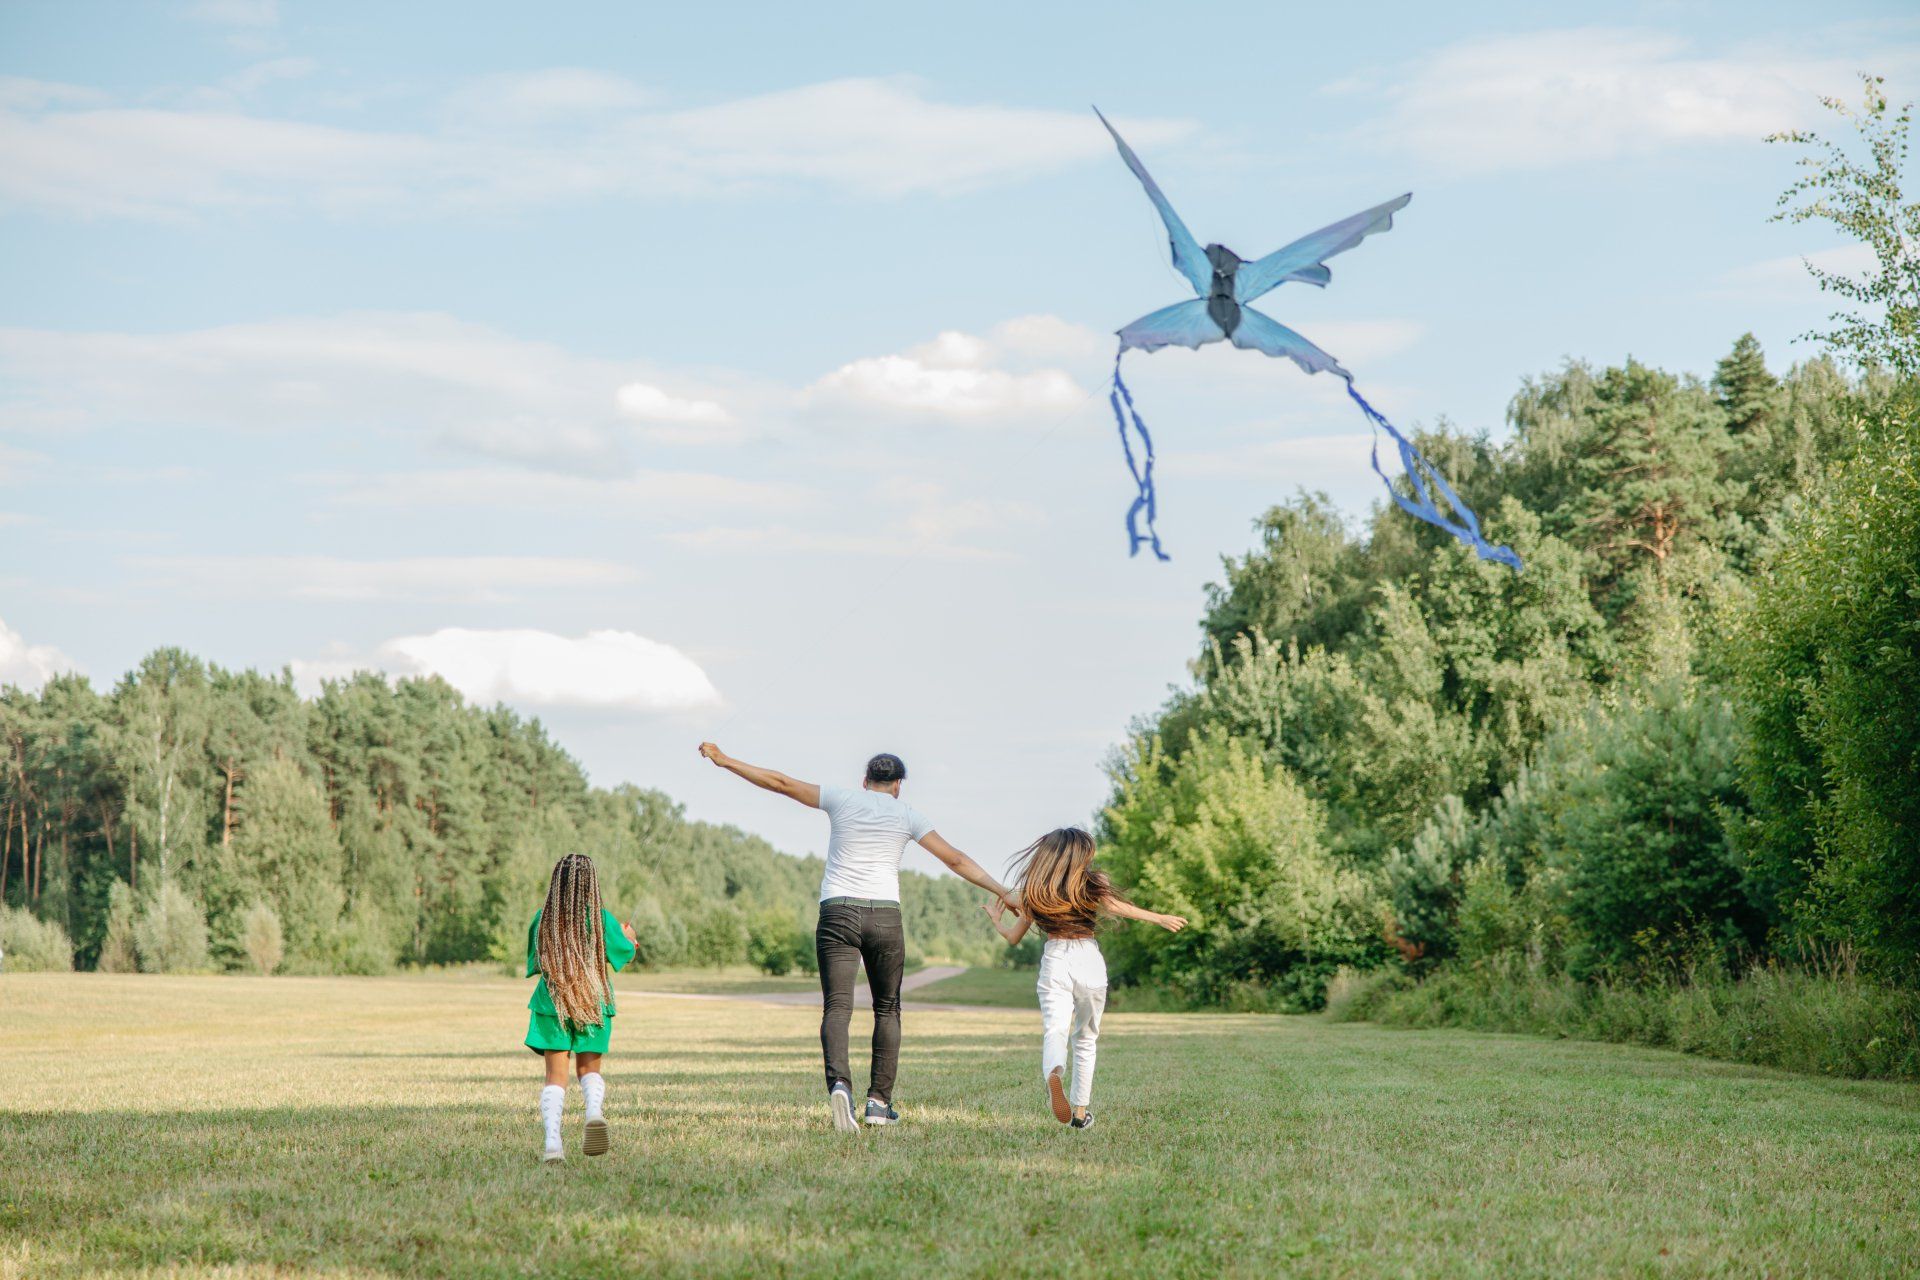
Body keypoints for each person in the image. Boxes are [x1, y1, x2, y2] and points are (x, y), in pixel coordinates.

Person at [698, 742, 1015, 1133]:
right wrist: (1004, 892)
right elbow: (956, 859)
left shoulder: (842, 798)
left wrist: (724, 759)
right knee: (888, 1008)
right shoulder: (908, 814)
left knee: (837, 1007)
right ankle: (879, 1104)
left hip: (838, 912)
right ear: (898, 785)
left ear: (865, 782)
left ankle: (840, 1086)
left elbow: (779, 783)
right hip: (885, 916)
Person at [985, 828, 1185, 1129]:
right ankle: (1079, 1113)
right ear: (1082, 854)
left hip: (1055, 958)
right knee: (1086, 1037)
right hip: (1088, 959)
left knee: (1055, 1028)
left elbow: (1014, 938)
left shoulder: (1036, 889)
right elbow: (1117, 907)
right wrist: (1159, 918)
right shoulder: (1094, 881)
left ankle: (1054, 1071)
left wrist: (999, 923)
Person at [524, 853, 638, 1163]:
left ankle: (552, 1143)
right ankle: (593, 1112)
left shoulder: (543, 917)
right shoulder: (602, 918)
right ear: (591, 884)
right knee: (588, 1070)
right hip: (592, 1001)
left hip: (553, 1003)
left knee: (554, 1079)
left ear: (557, 883)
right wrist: (629, 939)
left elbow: (536, 960)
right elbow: (625, 954)